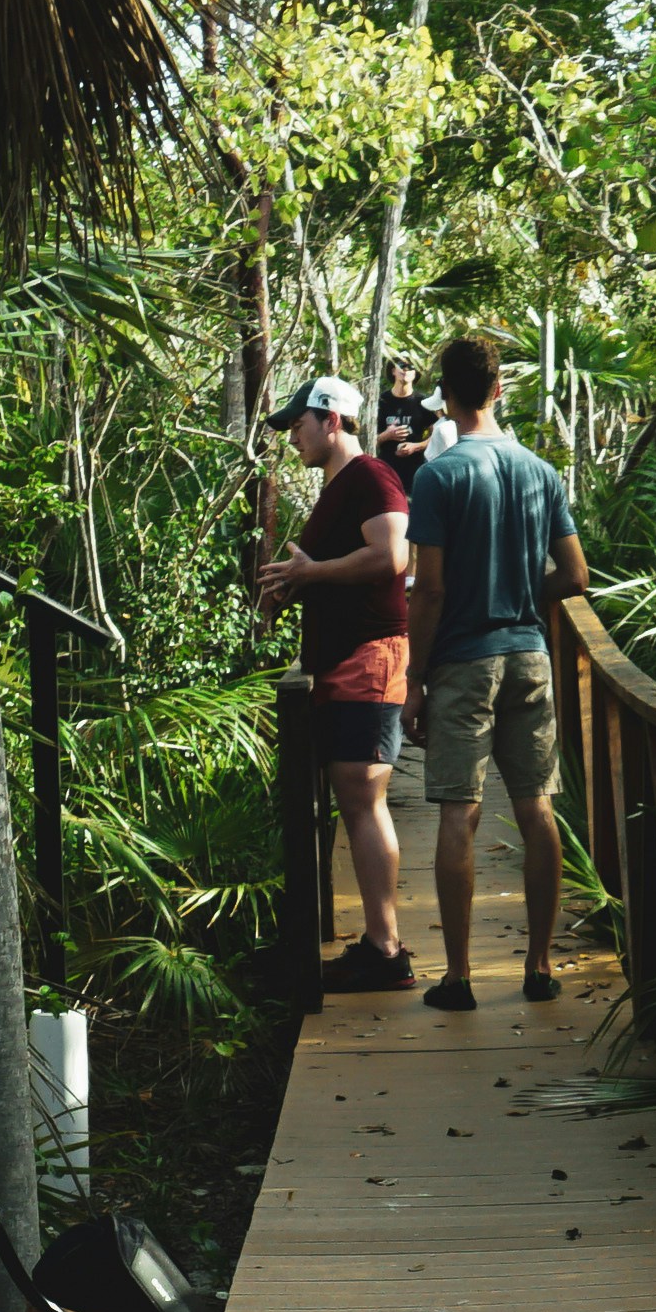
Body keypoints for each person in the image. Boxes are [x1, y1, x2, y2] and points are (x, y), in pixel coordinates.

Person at [399, 328, 587, 1010]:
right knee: (538, 809)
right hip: (530, 656)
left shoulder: (439, 476)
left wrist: (414, 680)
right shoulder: (541, 471)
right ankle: (539, 968)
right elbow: (575, 575)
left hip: (464, 663)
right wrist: (518, 595)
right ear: (499, 389)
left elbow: (433, 591)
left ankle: (458, 978)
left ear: (446, 398)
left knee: (460, 811)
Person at [246, 380, 419, 990]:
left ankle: (386, 949)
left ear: (332, 420)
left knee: (364, 799)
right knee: (353, 799)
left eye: (299, 423)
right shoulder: (337, 489)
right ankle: (379, 942)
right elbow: (343, 568)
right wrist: (300, 583)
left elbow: (394, 555)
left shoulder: (372, 476)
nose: (292, 435)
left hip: (369, 657)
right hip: (344, 659)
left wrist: (314, 571)